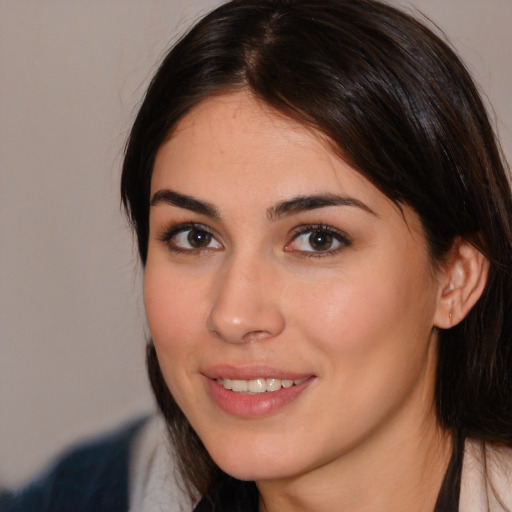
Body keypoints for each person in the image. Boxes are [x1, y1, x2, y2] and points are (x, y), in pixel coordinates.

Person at [2, 0, 511, 511]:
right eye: (195, 237)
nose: (234, 315)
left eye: (317, 239)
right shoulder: (97, 492)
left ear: (456, 279)